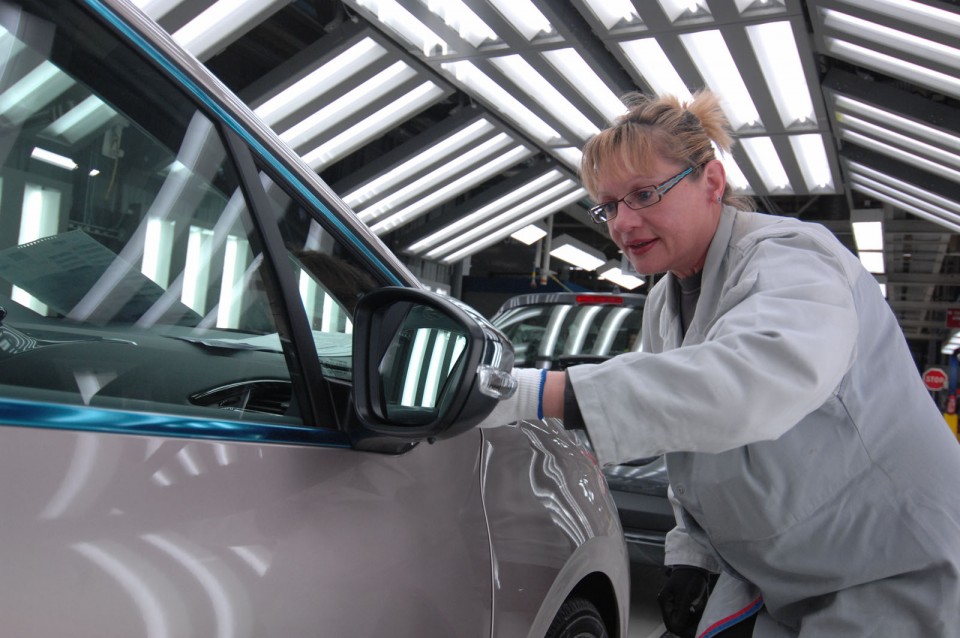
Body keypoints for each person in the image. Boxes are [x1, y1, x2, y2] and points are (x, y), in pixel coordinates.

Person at [482, 90, 960, 637]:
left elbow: (747, 384)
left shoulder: (793, 257)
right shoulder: (669, 298)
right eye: (608, 205)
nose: (621, 223)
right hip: (785, 577)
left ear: (711, 182)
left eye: (643, 194)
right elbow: (693, 449)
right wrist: (693, 556)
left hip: (893, 570)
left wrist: (536, 393)